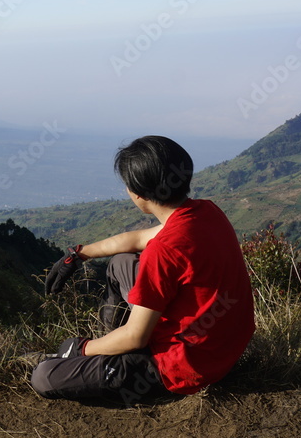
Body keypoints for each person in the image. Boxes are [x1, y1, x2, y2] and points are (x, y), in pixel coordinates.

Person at [30, 135, 255, 405]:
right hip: (225, 346)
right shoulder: (206, 212)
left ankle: (115, 358)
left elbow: (136, 337)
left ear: (137, 194)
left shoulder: (163, 251)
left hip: (184, 368)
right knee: (121, 263)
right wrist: (79, 254)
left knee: (43, 376)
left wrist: (82, 348)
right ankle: (110, 345)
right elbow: (135, 240)